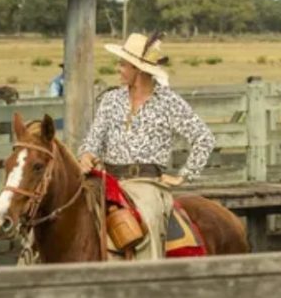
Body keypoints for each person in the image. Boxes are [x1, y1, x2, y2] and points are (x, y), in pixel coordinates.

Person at [76, 32, 215, 259]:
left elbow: (204, 138)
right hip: (107, 180)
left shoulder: (168, 102)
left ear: (138, 70)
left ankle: (147, 275)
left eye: (123, 64)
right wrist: (87, 154)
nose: (118, 69)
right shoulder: (111, 100)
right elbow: (93, 139)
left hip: (146, 184)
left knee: (147, 222)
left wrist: (184, 175)